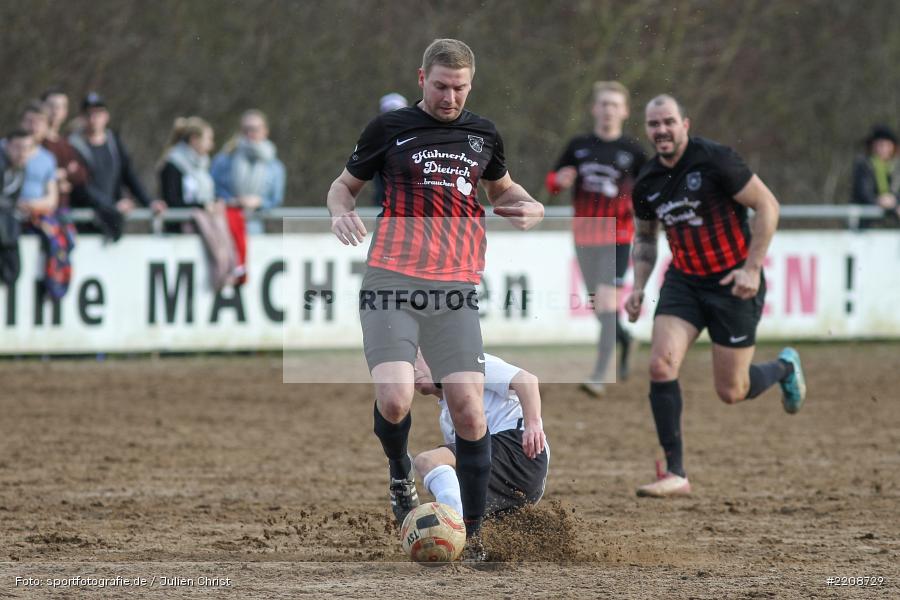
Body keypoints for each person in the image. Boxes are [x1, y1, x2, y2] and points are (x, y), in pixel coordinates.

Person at [326, 38, 544, 558]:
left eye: (460, 88)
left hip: (455, 288)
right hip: (391, 280)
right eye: (442, 86)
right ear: (421, 77)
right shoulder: (389, 129)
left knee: (470, 413)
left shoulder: (483, 134)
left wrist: (529, 205)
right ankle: (400, 474)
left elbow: (503, 191)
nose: (450, 98)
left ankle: (475, 536)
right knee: (397, 397)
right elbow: (342, 186)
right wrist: (339, 211)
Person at [625, 95, 807, 498]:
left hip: (733, 284)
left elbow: (767, 205)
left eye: (668, 122)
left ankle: (784, 368)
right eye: (654, 125)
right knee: (660, 365)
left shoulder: (716, 160)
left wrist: (753, 268)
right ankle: (675, 472)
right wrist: (638, 287)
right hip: (684, 283)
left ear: (685, 124)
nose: (661, 131)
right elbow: (645, 238)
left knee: (732, 391)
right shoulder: (647, 181)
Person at [546, 81, 647, 396]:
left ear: (625, 111)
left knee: (606, 302)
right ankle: (625, 339)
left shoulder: (633, 152)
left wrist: (639, 205)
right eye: (603, 104)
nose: (608, 110)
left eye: (615, 105)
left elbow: (650, 191)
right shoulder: (578, 146)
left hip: (617, 237)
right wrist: (559, 181)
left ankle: (600, 374)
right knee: (600, 308)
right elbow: (552, 182)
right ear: (594, 109)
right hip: (585, 236)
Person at [412, 351, 548, 520]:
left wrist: (533, 424)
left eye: (416, 357)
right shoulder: (447, 418)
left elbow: (526, 380)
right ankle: (465, 533)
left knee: (427, 461)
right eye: (406, 366)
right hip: (517, 487)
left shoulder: (464, 364)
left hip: (520, 449)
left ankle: (455, 528)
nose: (413, 369)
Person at [69, 92, 166, 240]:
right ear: (82, 118)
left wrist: (148, 202)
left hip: (112, 219)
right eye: (89, 114)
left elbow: (128, 174)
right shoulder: (74, 146)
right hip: (85, 218)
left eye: (98, 113)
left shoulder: (113, 142)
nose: (93, 119)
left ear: (106, 116)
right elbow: (82, 187)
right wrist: (112, 206)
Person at [159, 117, 235, 290]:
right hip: (178, 234)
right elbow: (173, 201)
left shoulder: (202, 165)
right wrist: (201, 208)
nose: (212, 145)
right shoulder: (172, 165)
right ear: (194, 139)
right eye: (208, 139)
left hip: (200, 233)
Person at [211, 109, 286, 284]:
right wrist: (233, 201)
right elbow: (214, 189)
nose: (250, 133)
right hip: (226, 225)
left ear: (265, 131)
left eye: (255, 128)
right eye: (246, 129)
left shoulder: (275, 167)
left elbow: (276, 199)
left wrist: (259, 202)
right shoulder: (224, 160)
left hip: (255, 227)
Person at [40, 88, 87, 211]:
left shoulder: (66, 143)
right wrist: (54, 178)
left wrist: (65, 174)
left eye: (61, 107)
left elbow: (81, 174)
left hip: (62, 209)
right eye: (51, 106)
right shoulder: (35, 142)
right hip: (38, 211)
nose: (56, 111)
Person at [851, 124, 900, 226]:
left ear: (893, 147)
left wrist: (894, 201)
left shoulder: (897, 166)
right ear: (872, 146)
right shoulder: (863, 164)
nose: (882, 149)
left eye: (886, 145)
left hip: (893, 223)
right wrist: (879, 201)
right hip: (868, 223)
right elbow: (863, 191)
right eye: (879, 145)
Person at [371, 93, 409, 206]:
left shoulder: (416, 137)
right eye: (390, 112)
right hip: (383, 203)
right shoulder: (373, 138)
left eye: (398, 112)